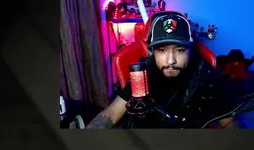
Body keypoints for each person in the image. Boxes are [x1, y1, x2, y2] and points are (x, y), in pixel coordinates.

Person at [87, 11, 237, 129]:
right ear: (152, 52)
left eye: (179, 50)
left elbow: (229, 123)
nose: (170, 60)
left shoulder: (206, 75)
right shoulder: (142, 75)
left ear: (190, 51)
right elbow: (112, 113)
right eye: (162, 50)